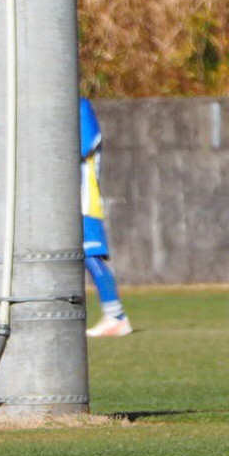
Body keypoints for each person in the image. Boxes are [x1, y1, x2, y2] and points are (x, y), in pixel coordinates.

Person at [81, 97, 133, 338]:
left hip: (84, 200)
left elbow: (82, 148)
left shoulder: (81, 107)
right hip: (65, 203)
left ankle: (117, 316)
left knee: (90, 254)